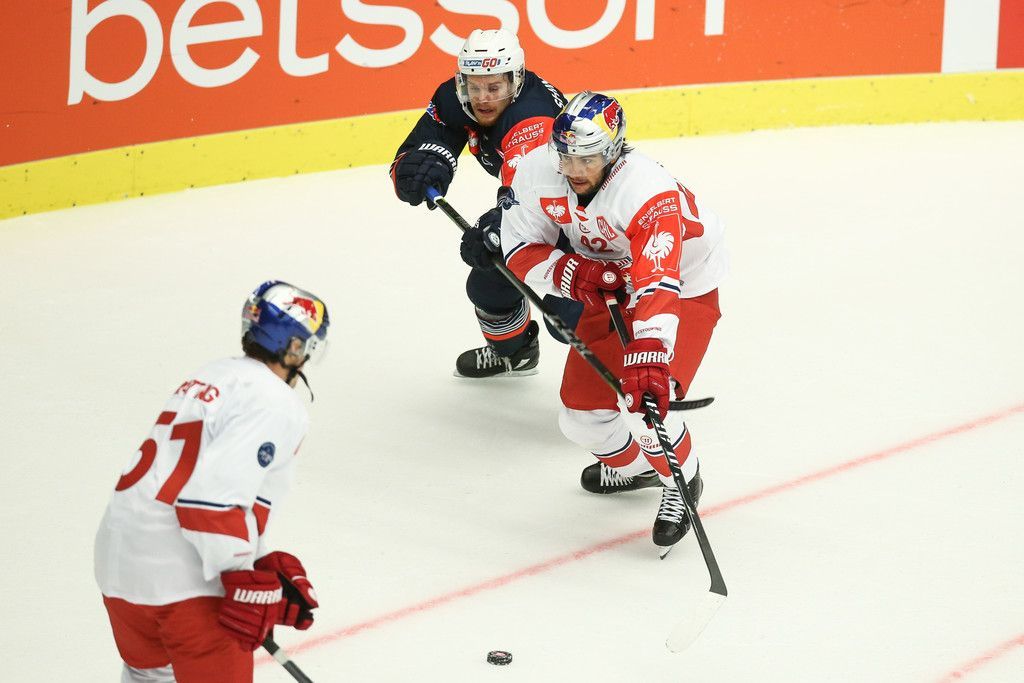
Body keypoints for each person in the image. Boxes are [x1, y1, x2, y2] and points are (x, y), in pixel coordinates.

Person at [495, 91, 728, 550]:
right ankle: (642, 469)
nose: (575, 169)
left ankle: (681, 481)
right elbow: (518, 248)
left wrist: (651, 350)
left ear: (614, 149)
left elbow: (658, 279)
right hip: (611, 285)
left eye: (588, 157)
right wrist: (571, 272)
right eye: (567, 156)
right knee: (580, 418)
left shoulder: (646, 189)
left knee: (643, 405)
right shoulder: (539, 171)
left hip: (682, 285)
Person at [94, 281, 330, 682]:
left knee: (151, 677)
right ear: (293, 347)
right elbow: (209, 500)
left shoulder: (212, 375)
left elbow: (202, 483)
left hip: (119, 569)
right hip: (185, 582)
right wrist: (242, 576)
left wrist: (257, 561)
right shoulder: (275, 401)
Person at [390, 28, 578, 378]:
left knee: (573, 320)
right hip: (540, 206)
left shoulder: (531, 119)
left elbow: (530, 200)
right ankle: (517, 354)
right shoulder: (455, 97)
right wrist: (422, 164)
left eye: (494, 88)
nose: (483, 98)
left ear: (515, 80)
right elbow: (416, 152)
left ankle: (638, 366)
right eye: (474, 87)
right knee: (488, 285)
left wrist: (498, 226)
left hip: (578, 218)